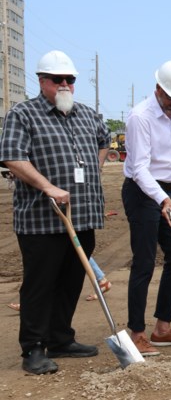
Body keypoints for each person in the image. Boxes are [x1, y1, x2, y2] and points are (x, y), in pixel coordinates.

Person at [0, 50, 108, 374]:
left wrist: (95, 171)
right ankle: (33, 348)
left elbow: (104, 142)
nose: (65, 85)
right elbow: (11, 157)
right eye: (57, 79)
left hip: (83, 215)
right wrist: (47, 186)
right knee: (40, 284)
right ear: (41, 80)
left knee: (72, 280)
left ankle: (60, 337)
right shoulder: (23, 114)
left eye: (70, 80)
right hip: (40, 219)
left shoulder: (88, 115)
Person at [122, 60, 171, 357]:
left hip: (169, 190)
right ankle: (137, 333)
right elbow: (140, 169)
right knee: (144, 261)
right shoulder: (139, 117)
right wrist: (161, 199)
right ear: (157, 90)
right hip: (142, 192)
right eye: (170, 99)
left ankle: (162, 328)